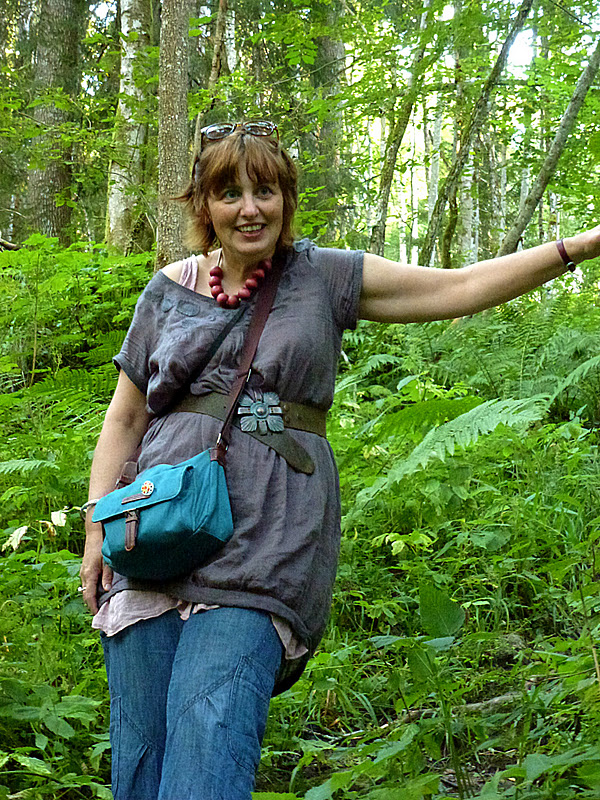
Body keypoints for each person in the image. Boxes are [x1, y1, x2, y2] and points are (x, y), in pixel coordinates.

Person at [79, 120, 600, 800]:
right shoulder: (166, 290)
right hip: (151, 536)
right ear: (203, 205)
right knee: (140, 766)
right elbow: (124, 418)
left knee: (208, 754)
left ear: (287, 199)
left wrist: (579, 246)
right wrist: (96, 528)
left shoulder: (324, 276)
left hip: (264, 543)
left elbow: (462, 286)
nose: (250, 209)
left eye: (265, 191)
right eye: (230, 193)